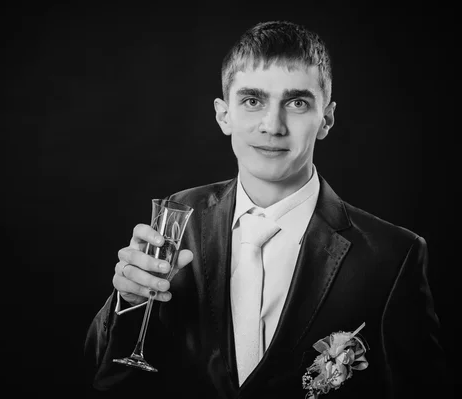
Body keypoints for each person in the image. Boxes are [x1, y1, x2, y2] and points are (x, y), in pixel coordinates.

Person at [83, 20, 446, 398]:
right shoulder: (180, 218)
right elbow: (108, 379)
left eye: (297, 103)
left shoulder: (393, 256)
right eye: (252, 101)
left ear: (326, 119)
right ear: (224, 115)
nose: (272, 126)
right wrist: (129, 302)